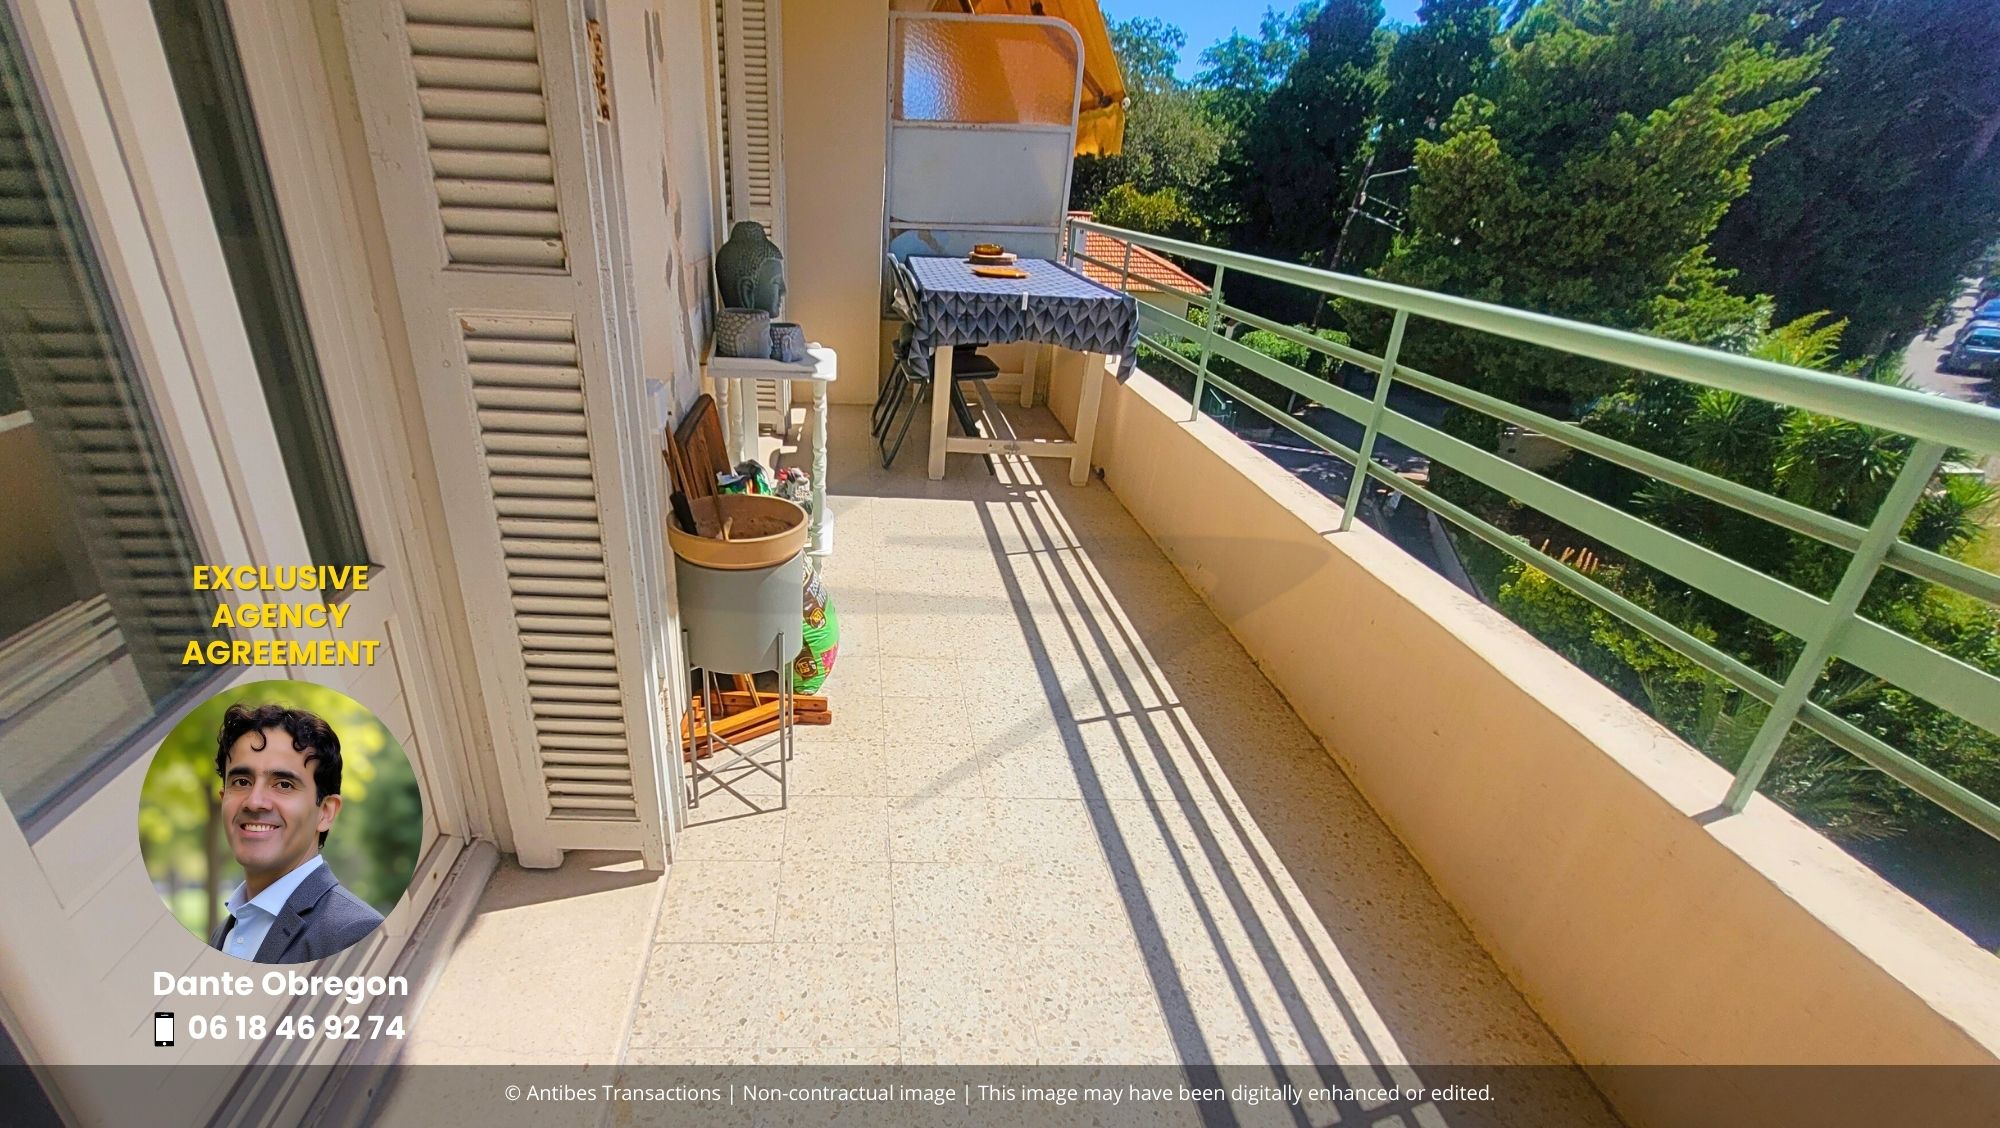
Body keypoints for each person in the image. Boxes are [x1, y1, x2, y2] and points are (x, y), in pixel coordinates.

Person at [207, 703, 383, 963]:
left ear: (325, 812)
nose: (254, 802)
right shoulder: (225, 932)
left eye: (284, 784)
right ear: (223, 800)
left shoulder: (356, 934)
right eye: (241, 782)